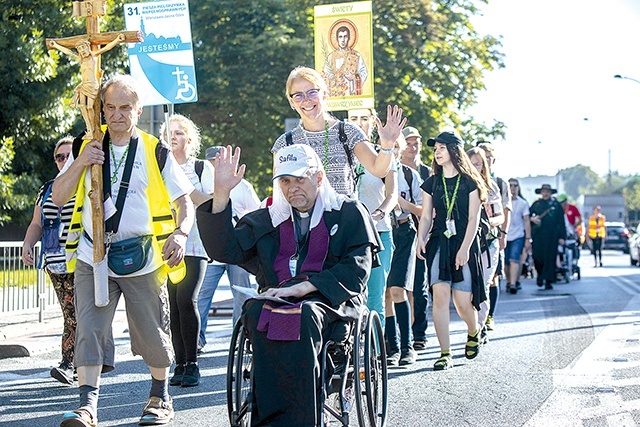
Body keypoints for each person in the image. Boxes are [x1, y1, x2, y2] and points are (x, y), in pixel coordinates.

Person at [197, 144, 380, 426]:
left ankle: (303, 419)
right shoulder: (269, 220)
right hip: (278, 299)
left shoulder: (348, 212)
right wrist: (221, 193)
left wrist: (306, 288)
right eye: (285, 181)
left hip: (332, 303)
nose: (292, 187)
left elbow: (358, 269)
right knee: (256, 313)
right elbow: (224, 250)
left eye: (299, 179)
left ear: (319, 178)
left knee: (305, 315)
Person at [52, 74, 195, 427]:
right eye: (110, 107)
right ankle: (87, 407)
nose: (116, 115)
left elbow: (184, 202)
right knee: (89, 326)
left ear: (138, 109)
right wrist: (83, 161)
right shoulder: (87, 145)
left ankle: (160, 397)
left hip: (142, 255)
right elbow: (57, 197)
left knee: (150, 328)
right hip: (93, 253)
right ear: (102, 109)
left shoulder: (154, 149)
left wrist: (180, 233)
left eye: (125, 108)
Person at [271, 66, 405, 196]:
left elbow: (379, 170)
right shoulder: (285, 143)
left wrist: (387, 146)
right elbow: (279, 193)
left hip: (343, 216)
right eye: (298, 95)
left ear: (324, 94)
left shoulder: (348, 132)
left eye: (312, 92)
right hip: (304, 218)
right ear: (292, 102)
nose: (306, 100)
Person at [417, 131, 487, 371]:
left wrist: (465, 248)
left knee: (462, 301)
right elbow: (426, 216)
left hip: (463, 243)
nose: (436, 152)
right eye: (435, 148)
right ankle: (445, 353)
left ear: (454, 151)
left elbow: (473, 220)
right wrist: (420, 238)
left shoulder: (471, 182)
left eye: (441, 148)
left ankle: (473, 329)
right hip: (439, 242)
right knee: (440, 296)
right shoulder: (431, 182)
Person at [159, 114, 214, 387]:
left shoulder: (201, 168)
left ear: (189, 139)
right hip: (165, 246)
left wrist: (184, 187)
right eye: (169, 132)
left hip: (194, 245)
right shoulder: (159, 168)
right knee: (171, 306)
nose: (173, 136)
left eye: (179, 132)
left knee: (186, 299)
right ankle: (179, 364)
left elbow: (211, 204)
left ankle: (192, 363)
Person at [22, 136, 78, 385]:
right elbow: (37, 223)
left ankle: (70, 364)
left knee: (76, 313)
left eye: (69, 155)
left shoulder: (87, 180)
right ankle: (76, 364)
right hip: (54, 262)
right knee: (71, 313)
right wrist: (27, 245)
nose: (64, 160)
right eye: (60, 156)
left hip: (81, 258)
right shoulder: (46, 188)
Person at [196, 147, 261, 352]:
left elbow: (256, 212)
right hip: (212, 251)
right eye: (211, 162)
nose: (215, 165)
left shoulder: (243, 186)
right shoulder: (202, 184)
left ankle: (240, 336)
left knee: (241, 294)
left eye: (218, 161)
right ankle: (197, 339)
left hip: (238, 249)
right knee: (202, 294)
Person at [349, 109, 398, 329]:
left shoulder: (384, 155)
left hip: (378, 233)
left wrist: (378, 213)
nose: (358, 124)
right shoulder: (340, 155)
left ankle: (374, 356)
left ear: (373, 122)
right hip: (346, 235)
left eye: (363, 119)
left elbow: (392, 194)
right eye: (353, 119)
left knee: (375, 298)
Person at [385, 135, 422, 366]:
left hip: (404, 232)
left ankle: (408, 346)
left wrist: (398, 201)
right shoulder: (376, 172)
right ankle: (393, 347)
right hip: (381, 232)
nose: (395, 151)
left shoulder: (410, 175)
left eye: (398, 147)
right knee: (386, 292)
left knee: (399, 289)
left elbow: (423, 209)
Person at [48, 35, 126, 140]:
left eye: (83, 48)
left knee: (90, 107)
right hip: (84, 85)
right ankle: (89, 129)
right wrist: (56, 45)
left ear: (87, 47)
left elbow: (106, 48)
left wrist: (117, 40)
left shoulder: (93, 56)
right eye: (79, 49)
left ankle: (94, 128)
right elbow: (68, 52)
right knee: (82, 107)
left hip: (92, 85)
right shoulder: (81, 59)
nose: (82, 51)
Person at [467, 147, 503, 345]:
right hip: (465, 244)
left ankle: (479, 328)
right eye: (471, 163)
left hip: (488, 243)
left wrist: (488, 223)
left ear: (484, 167)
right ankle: (472, 326)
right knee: (466, 289)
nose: (474, 167)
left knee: (484, 285)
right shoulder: (460, 185)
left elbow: (501, 215)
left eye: (478, 163)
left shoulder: (492, 187)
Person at [401, 125, 431, 350]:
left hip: (425, 233)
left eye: (416, 142)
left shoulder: (428, 172)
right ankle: (403, 334)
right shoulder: (392, 169)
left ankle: (419, 332)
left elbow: (432, 208)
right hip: (402, 232)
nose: (413, 146)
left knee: (419, 285)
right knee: (401, 286)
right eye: (409, 142)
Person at [476, 141, 511, 331]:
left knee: (493, 277)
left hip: (492, 237)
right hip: (472, 240)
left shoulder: (498, 184)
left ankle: (488, 316)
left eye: (488, 157)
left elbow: (505, 211)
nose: (484, 160)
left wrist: (503, 234)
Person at [529, 184, 566, 289]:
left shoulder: (556, 205)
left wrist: (562, 237)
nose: (546, 193)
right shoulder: (536, 204)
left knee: (550, 258)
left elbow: (561, 222)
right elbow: (528, 217)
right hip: (538, 235)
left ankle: (548, 280)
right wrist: (533, 219)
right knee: (537, 257)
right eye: (544, 191)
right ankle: (540, 275)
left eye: (547, 191)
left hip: (552, 235)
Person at [323, 24, 368, 96]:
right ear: (337, 39)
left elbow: (364, 72)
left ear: (349, 38)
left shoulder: (356, 55)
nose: (343, 40)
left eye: (345, 36)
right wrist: (332, 78)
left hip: (351, 93)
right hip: (336, 94)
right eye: (340, 37)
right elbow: (325, 74)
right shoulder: (331, 56)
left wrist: (354, 78)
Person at [505, 179, 532, 292]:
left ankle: (513, 284)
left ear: (518, 188)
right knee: (506, 262)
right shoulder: (503, 201)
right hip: (505, 235)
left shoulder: (523, 203)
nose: (513, 188)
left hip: (518, 235)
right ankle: (509, 281)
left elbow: (526, 221)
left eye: (515, 186)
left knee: (514, 259)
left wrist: (528, 238)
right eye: (510, 185)